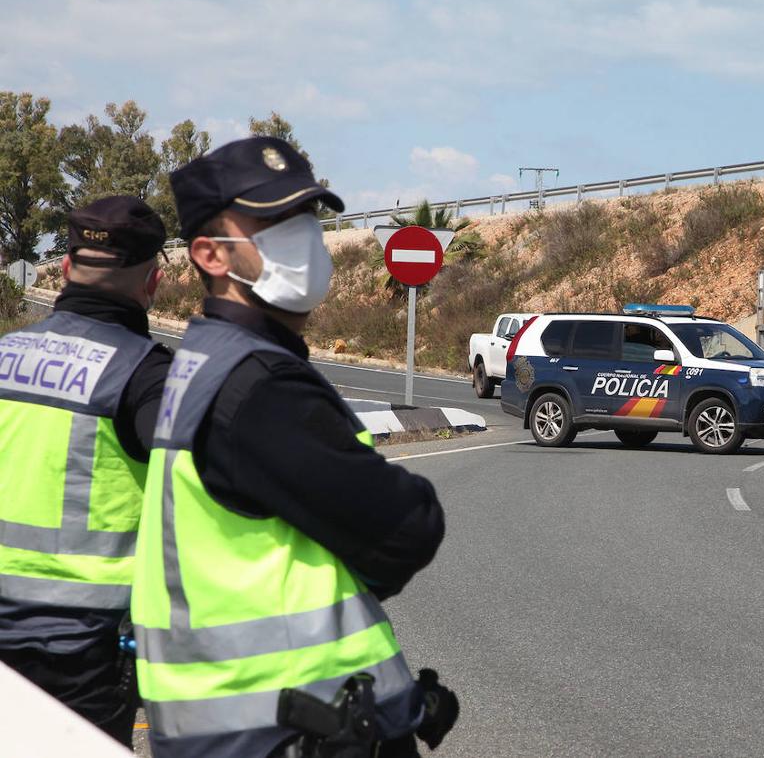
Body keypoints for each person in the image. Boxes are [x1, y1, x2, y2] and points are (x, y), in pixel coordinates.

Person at [129, 137, 447, 756]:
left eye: (306, 220)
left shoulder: (205, 359)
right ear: (210, 255)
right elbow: (406, 525)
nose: (302, 238)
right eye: (271, 222)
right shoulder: (260, 386)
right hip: (294, 729)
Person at [0, 196, 171, 747]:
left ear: (67, 268)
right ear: (153, 283)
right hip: (81, 656)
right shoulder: (148, 378)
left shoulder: (4, 353)